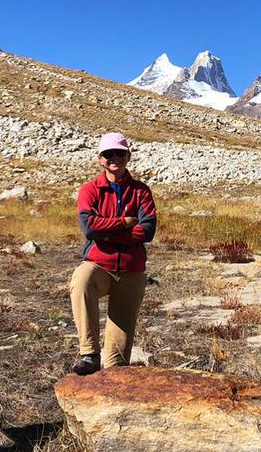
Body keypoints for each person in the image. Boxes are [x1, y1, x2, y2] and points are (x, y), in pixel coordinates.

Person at [69, 132, 157, 375]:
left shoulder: (141, 191)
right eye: (109, 154)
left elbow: (147, 230)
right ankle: (88, 353)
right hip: (99, 264)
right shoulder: (90, 190)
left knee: (116, 364)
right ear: (100, 158)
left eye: (119, 153)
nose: (114, 158)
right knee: (82, 279)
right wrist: (126, 221)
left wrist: (106, 231)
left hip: (131, 271)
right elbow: (89, 227)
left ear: (128, 156)